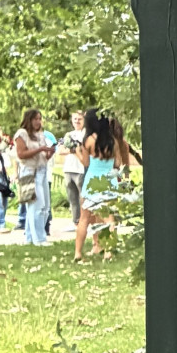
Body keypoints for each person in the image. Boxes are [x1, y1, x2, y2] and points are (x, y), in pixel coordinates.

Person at [75, 110, 119, 260]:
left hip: (92, 181)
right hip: (109, 181)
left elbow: (86, 162)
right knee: (109, 219)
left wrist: (77, 152)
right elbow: (117, 163)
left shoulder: (89, 140)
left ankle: (78, 253)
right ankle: (108, 251)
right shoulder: (113, 141)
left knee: (84, 219)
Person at [12, 110, 53, 246]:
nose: (38, 122)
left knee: (45, 207)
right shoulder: (21, 134)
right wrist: (40, 149)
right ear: (29, 120)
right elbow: (21, 154)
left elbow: (43, 156)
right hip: (30, 171)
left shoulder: (40, 135)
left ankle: (30, 237)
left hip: (42, 170)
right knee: (36, 206)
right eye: (35, 119)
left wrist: (50, 152)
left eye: (40, 119)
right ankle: (39, 239)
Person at [59, 111, 87, 226]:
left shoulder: (86, 134)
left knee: (83, 197)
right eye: (75, 119)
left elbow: (85, 150)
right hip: (68, 169)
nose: (77, 121)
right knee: (72, 198)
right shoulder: (68, 135)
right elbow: (60, 150)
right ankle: (76, 221)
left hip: (81, 169)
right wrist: (74, 150)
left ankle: (85, 221)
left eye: (79, 119)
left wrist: (72, 150)